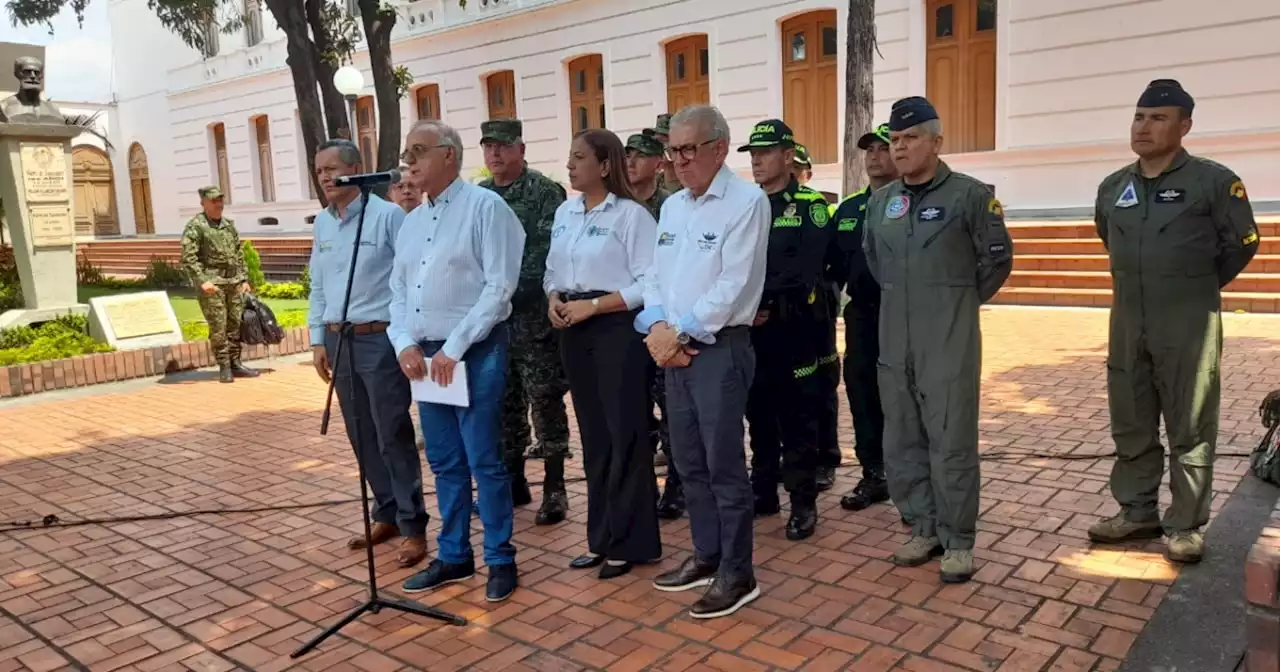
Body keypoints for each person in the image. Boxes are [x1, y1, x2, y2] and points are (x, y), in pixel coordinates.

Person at [1089, 79, 1260, 564]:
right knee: (1132, 420)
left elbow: (1242, 244)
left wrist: (1194, 286)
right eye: (1139, 116)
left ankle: (1184, 524)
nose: (1144, 127)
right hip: (1127, 321)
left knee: (1190, 420)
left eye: (1158, 118)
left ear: (1184, 126)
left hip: (1187, 321)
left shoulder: (1213, 182)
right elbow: (1109, 237)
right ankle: (1137, 510)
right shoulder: (1113, 186)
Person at [863, 96, 1014, 583]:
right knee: (903, 437)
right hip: (893, 339)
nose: (900, 148)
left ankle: (958, 539)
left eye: (910, 139)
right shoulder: (882, 202)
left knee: (951, 439)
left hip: (947, 339)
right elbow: (874, 260)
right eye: (895, 140)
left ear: (936, 141)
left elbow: (995, 262)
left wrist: (953, 302)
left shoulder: (970, 196)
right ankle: (922, 526)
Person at [637, 104, 770, 619]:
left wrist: (678, 333)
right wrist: (655, 327)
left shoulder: (746, 202)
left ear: (719, 147)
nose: (677, 161)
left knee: (722, 464)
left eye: (687, 150)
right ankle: (707, 552)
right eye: (673, 150)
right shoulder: (673, 207)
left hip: (718, 349)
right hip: (673, 349)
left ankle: (739, 571)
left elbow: (732, 285)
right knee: (688, 460)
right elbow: (654, 275)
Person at [390, 120, 526, 602]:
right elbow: (399, 293)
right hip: (426, 359)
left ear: (449, 155)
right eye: (408, 152)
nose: (410, 162)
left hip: (474, 351)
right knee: (446, 462)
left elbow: (499, 288)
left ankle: (500, 558)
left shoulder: (487, 209)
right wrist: (404, 341)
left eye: (419, 151)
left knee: (484, 459)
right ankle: (454, 556)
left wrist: (455, 347)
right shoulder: (412, 222)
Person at [307, 139, 428, 568]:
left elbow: (412, 278)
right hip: (339, 341)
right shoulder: (323, 224)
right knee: (360, 433)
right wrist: (318, 339)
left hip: (379, 339)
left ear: (357, 170)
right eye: (318, 169)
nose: (324, 177)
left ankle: (414, 526)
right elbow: (318, 286)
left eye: (332, 168)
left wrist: (406, 337)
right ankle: (387, 512)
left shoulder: (388, 217)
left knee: (391, 432)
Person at [549, 129, 661, 579]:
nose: (571, 166)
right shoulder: (565, 211)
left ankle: (631, 541)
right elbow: (552, 270)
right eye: (570, 156)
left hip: (615, 329)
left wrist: (594, 305)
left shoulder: (632, 217)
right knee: (594, 436)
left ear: (605, 165)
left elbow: (650, 283)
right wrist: (553, 299)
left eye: (579, 158)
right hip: (573, 329)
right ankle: (601, 537)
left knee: (625, 434)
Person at [740, 119, 832, 541]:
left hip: (795, 329)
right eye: (753, 153)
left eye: (765, 152)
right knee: (758, 413)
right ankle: (763, 491)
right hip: (753, 331)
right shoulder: (747, 205)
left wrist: (765, 302)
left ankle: (802, 501)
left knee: (797, 418)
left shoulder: (809, 205)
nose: (756, 160)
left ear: (788, 155)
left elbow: (808, 270)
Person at [478, 118, 572, 526]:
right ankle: (515, 480)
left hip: (533, 318)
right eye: (488, 146)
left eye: (502, 146)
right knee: (502, 401)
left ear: (520, 149)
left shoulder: (544, 192)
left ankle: (555, 488)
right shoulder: (479, 197)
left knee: (545, 399)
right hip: (493, 323)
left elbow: (549, 251)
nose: (494, 154)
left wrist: (503, 287)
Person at [830, 123, 899, 512]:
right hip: (861, 316)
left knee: (904, 397)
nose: (874, 156)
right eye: (869, 150)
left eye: (882, 148)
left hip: (902, 315)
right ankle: (874, 473)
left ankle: (909, 476)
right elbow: (834, 265)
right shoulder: (849, 209)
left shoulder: (909, 201)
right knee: (862, 392)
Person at [625, 131, 685, 519]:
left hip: (665, 323)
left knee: (672, 410)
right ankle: (642, 487)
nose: (631, 162)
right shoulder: (616, 206)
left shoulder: (671, 207)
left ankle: (677, 488)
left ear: (658, 164)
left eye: (640, 156)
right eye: (627, 155)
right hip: (627, 326)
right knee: (636, 412)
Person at [180, 186, 258, 383]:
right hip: (212, 284)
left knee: (235, 323)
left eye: (220, 200)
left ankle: (235, 362)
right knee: (219, 326)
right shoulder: (196, 226)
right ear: (203, 203)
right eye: (214, 201)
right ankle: (224, 366)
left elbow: (238, 254)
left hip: (233, 283)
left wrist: (243, 278)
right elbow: (189, 257)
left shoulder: (228, 225)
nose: (218, 205)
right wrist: (202, 281)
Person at [642, 113, 678, 189]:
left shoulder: (691, 182)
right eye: (656, 142)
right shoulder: (653, 184)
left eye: (663, 141)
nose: (657, 147)